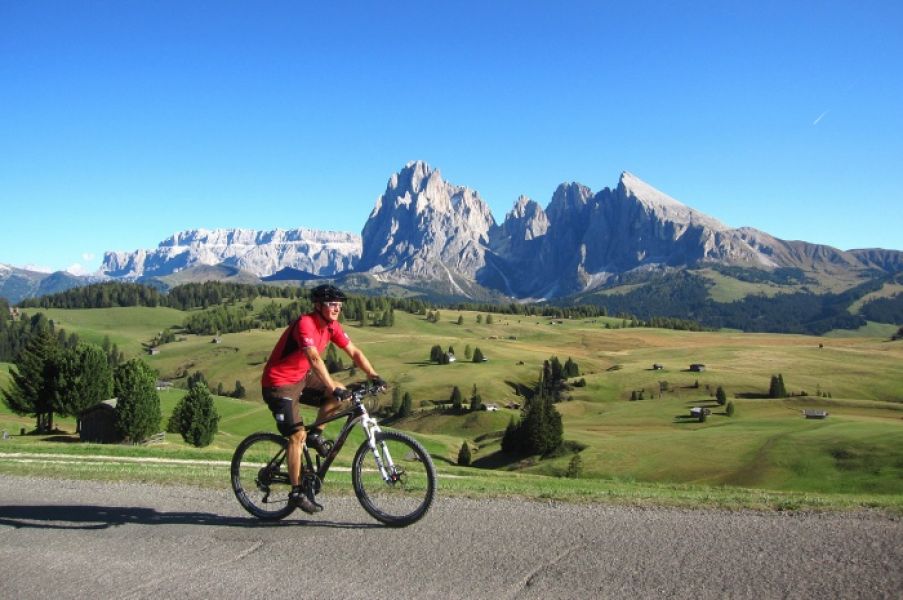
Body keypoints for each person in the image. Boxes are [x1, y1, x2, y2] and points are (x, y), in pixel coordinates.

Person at [261, 283, 384, 513]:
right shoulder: (305, 324)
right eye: (332, 304)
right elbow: (314, 359)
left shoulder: (332, 326)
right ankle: (297, 492)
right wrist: (331, 386)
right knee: (297, 435)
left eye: (339, 305)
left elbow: (354, 352)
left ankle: (316, 435)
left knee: (340, 393)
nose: (337, 309)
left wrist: (373, 375)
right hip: (278, 384)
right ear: (318, 306)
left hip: (301, 379)